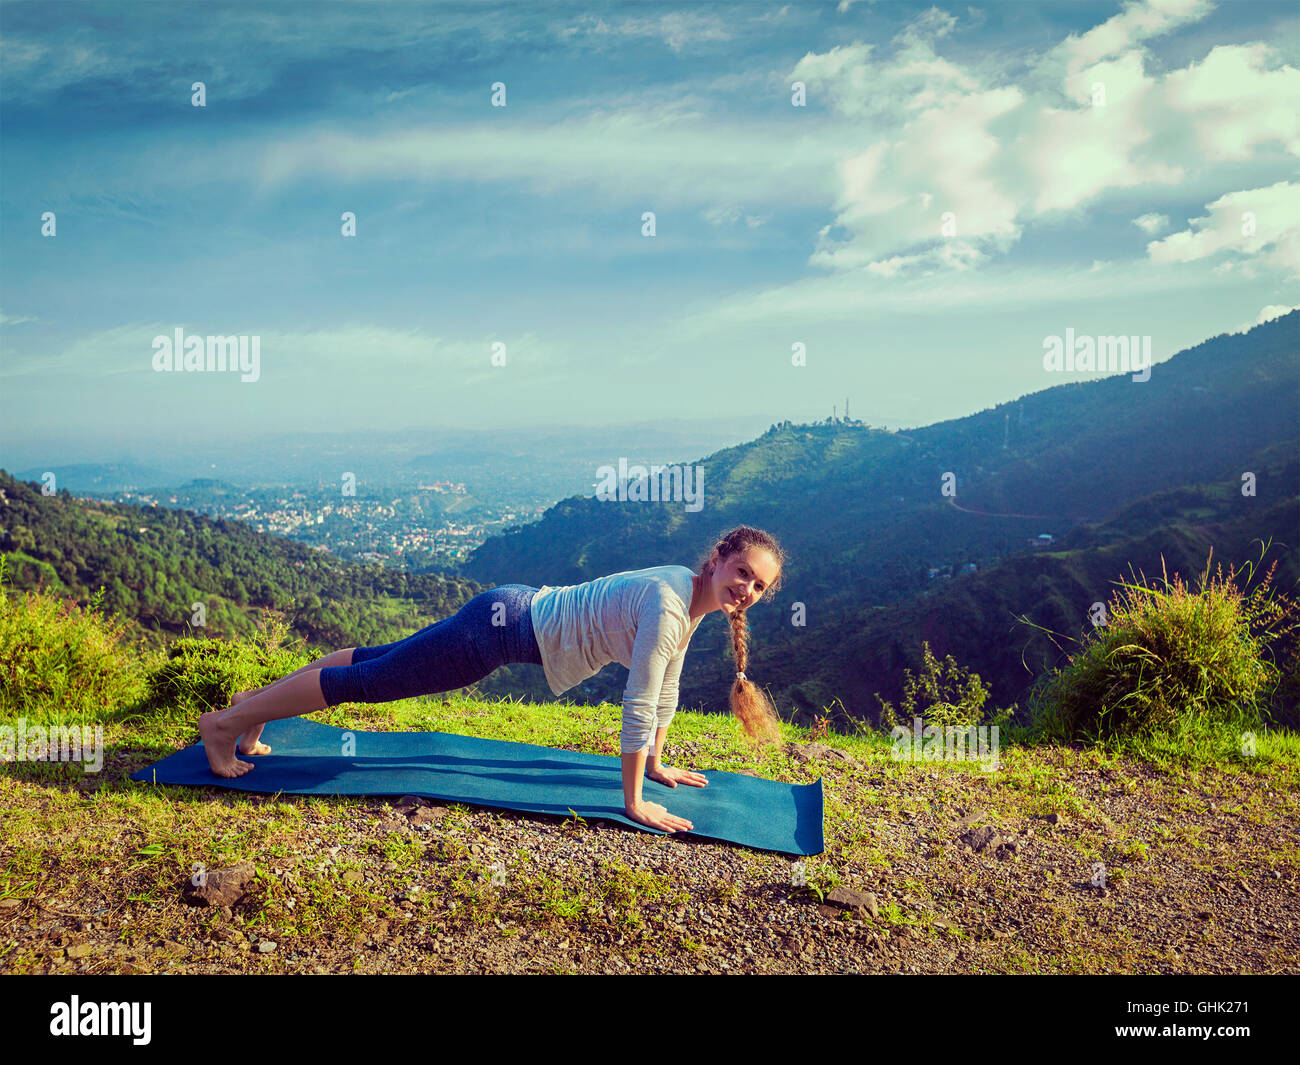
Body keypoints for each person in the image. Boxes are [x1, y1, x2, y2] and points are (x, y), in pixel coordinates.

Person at [197, 525, 785, 834]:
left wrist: (657, 764)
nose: (747, 590)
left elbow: (665, 688)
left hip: (505, 612)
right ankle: (226, 724)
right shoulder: (669, 603)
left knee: (375, 659)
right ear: (718, 560)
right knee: (370, 681)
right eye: (742, 573)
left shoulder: (686, 595)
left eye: (759, 586)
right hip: (496, 635)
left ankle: (255, 707)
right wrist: (634, 801)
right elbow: (637, 701)